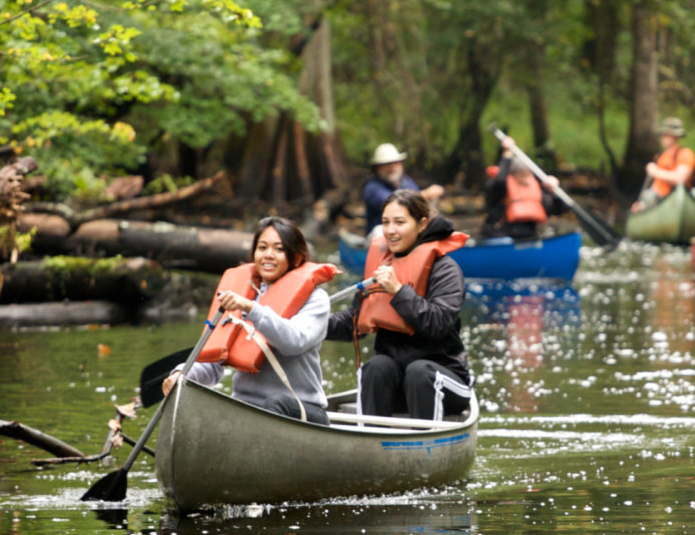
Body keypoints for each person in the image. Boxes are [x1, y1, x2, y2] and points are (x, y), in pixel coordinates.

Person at [162, 217, 336, 425]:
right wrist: (181, 374)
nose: (268, 255)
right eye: (262, 248)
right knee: (199, 399)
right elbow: (212, 363)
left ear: (297, 258)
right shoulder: (239, 293)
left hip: (301, 410)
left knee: (276, 404)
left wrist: (251, 308)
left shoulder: (316, 299)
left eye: (279, 249)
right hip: (247, 409)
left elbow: (294, 342)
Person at [329, 190, 474, 421]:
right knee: (375, 367)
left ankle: (425, 449)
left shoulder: (445, 269)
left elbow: (439, 324)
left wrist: (398, 291)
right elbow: (353, 322)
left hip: (443, 380)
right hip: (399, 383)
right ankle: (371, 447)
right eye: (385, 222)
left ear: (421, 224)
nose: (390, 230)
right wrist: (308, 322)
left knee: (419, 372)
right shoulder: (382, 265)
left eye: (399, 222)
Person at [481, 136, 564, 239]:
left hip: (527, 237)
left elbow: (556, 210)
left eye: (528, 175)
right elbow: (500, 181)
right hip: (499, 236)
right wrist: (507, 155)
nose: (526, 179)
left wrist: (554, 192)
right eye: (522, 175)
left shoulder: (533, 188)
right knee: (504, 241)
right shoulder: (498, 187)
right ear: (512, 174)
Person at [362, 143, 445, 236]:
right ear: (377, 168)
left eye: (395, 163)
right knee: (379, 231)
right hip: (379, 239)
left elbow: (417, 205)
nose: (392, 167)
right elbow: (394, 204)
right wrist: (425, 194)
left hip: (405, 235)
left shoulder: (406, 181)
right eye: (387, 164)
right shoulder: (372, 188)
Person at [631, 118, 695, 212]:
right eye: (664, 134)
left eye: (668, 134)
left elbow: (681, 178)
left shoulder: (685, 154)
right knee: (642, 202)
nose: (664, 137)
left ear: (676, 136)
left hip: (673, 199)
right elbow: (655, 186)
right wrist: (642, 203)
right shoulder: (659, 156)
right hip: (656, 199)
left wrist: (655, 172)